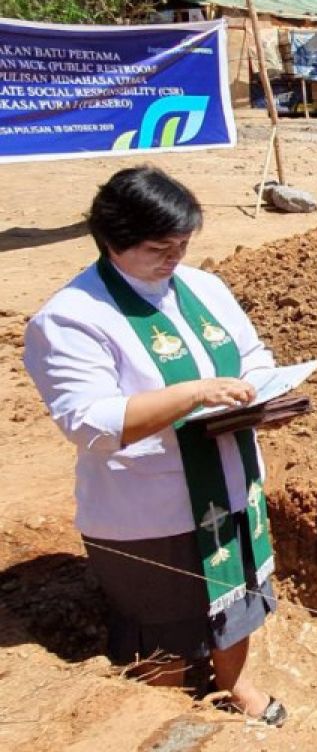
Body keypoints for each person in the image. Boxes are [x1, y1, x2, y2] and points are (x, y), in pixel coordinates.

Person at [23, 167, 286, 725]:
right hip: (152, 507)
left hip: (231, 480)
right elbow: (89, 422)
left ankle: (234, 682)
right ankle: (162, 709)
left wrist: (263, 393)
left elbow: (252, 356)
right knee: (164, 618)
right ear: (112, 242)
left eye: (183, 244)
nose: (174, 258)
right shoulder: (72, 318)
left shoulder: (203, 289)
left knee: (236, 597)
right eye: (157, 248)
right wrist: (192, 394)